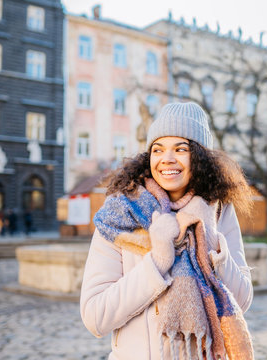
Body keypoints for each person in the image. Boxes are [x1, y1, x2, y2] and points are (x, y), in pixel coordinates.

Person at [80, 102, 255, 360]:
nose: (167, 159)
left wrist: (210, 243)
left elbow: (242, 299)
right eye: (158, 149)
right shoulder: (120, 213)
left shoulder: (218, 210)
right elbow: (95, 317)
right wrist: (157, 262)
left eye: (180, 149)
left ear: (200, 157)